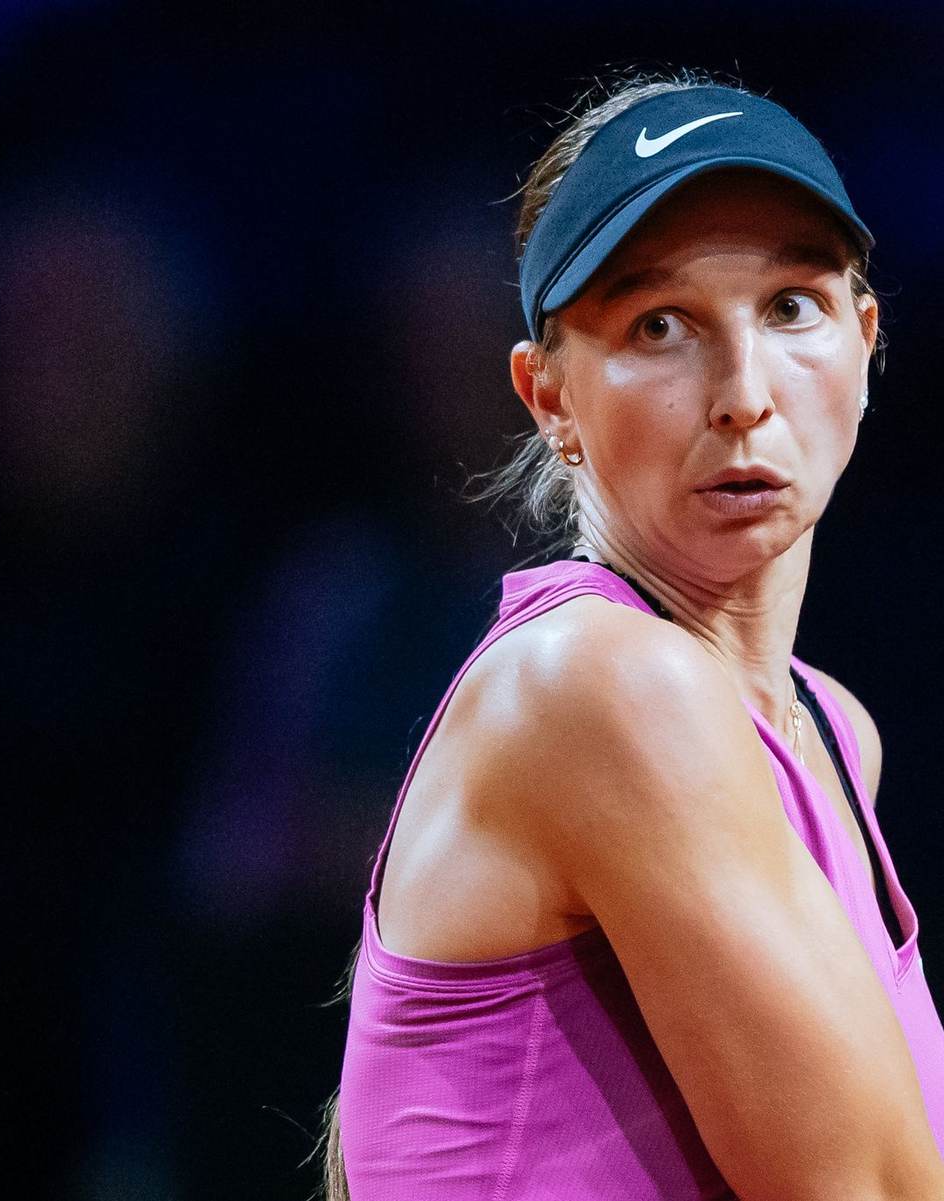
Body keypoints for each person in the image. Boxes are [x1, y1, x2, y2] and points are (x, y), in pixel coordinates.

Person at [321, 71, 944, 1200]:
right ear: (547, 396)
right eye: (662, 325)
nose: (743, 392)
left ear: (866, 341)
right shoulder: (601, 682)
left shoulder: (833, 737)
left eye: (791, 307)